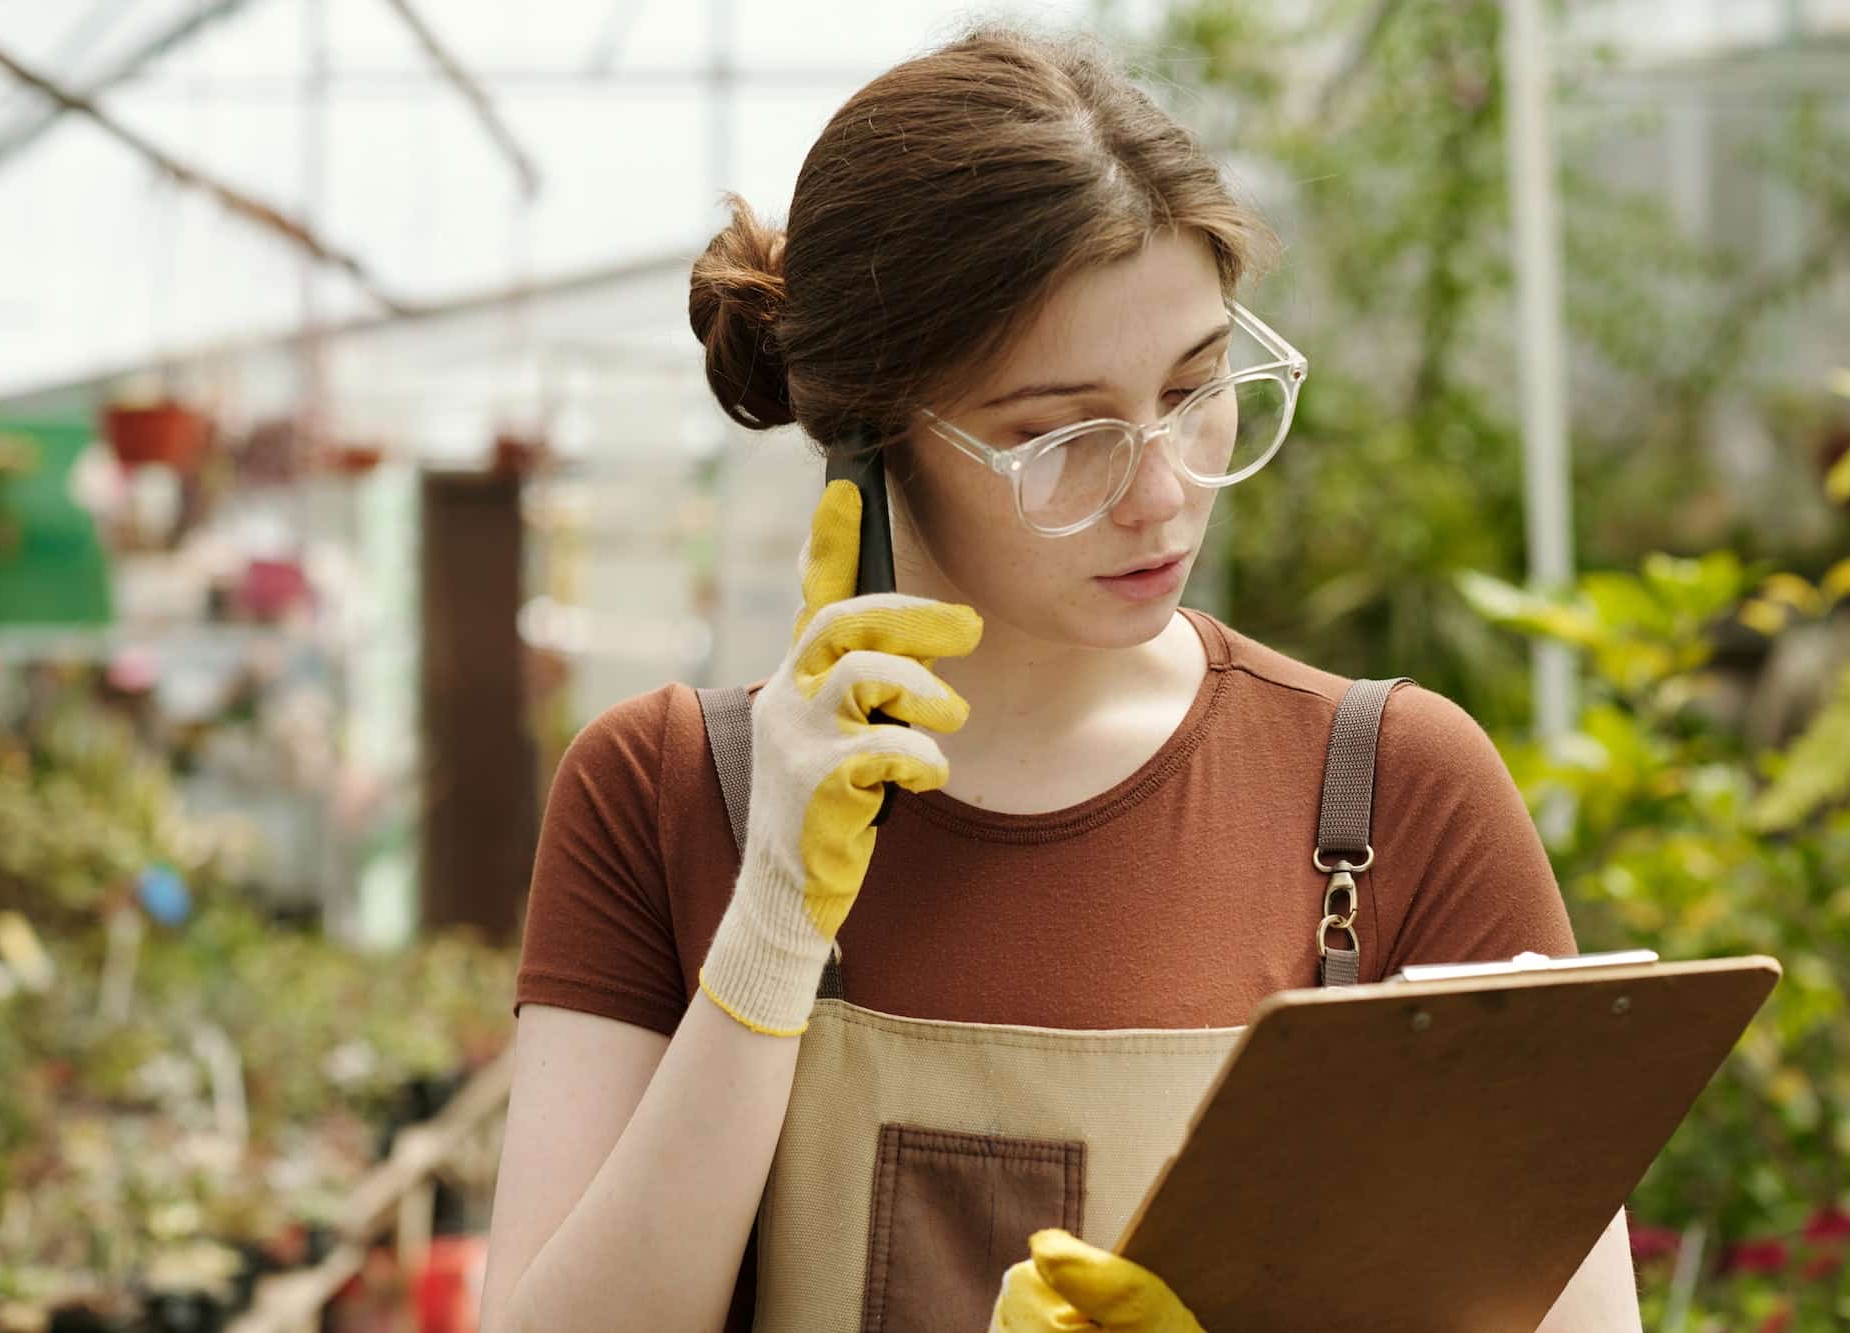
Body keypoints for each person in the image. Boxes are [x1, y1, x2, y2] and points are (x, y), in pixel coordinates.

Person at [479, 23, 1640, 1333]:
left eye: (1198, 388)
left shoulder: (1387, 796)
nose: (1162, 492)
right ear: (875, 440)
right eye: (1062, 436)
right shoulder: (670, 792)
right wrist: (768, 934)